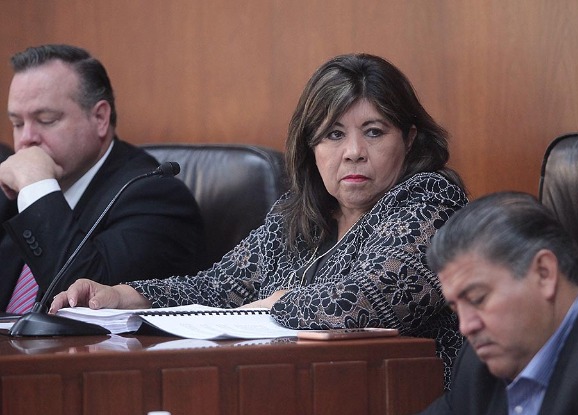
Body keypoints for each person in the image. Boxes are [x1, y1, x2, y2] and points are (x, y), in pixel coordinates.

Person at [51, 53, 468, 384]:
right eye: (334, 134)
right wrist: (126, 295)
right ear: (311, 147)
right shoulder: (296, 215)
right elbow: (217, 288)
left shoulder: (431, 198)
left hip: (397, 392)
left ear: (409, 139)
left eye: (374, 131)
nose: (354, 152)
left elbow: (372, 300)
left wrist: (274, 305)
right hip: (289, 385)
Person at [0, 44, 206, 314]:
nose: (26, 139)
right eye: (17, 124)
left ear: (100, 118)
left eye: (46, 119)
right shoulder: (13, 188)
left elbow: (87, 303)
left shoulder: (154, 196)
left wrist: (38, 188)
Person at [417, 191, 578, 414]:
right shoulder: (477, 368)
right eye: (456, 308)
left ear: (544, 273)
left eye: (477, 299)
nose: (466, 327)